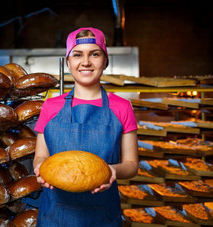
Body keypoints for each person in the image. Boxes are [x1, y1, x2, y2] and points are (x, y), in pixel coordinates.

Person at [33, 27, 138, 227]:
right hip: (55, 215)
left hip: (103, 216)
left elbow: (132, 164)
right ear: (68, 61)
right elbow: (41, 156)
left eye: (95, 54)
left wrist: (112, 170)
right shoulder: (51, 106)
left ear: (105, 60)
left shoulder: (122, 107)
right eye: (78, 54)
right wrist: (40, 168)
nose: (86, 62)